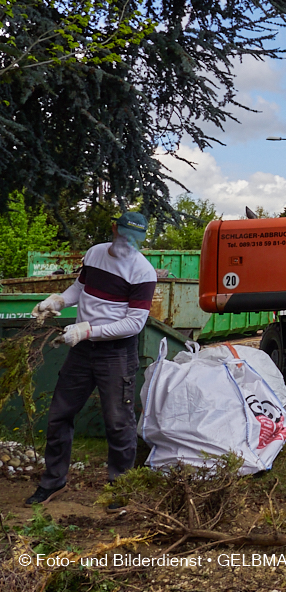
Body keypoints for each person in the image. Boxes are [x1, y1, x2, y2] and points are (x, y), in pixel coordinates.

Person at [25, 212, 157, 507]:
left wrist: (87, 330)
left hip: (116, 355)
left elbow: (134, 324)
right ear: (114, 229)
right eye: (124, 234)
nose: (128, 242)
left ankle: (120, 488)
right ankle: (53, 481)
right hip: (82, 352)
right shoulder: (95, 253)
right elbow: (79, 288)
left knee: (118, 423)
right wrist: (57, 300)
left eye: (135, 238)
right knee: (59, 415)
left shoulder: (142, 272)